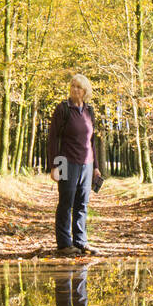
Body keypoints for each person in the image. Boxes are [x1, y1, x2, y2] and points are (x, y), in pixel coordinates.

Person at [46, 74, 103, 257]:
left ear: (85, 91)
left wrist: (95, 166)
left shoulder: (89, 111)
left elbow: (91, 140)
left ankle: (80, 241)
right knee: (66, 203)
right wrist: (54, 165)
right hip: (66, 162)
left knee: (82, 204)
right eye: (72, 86)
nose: (74, 89)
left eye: (78, 87)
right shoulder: (63, 109)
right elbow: (54, 138)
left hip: (86, 164)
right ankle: (64, 244)